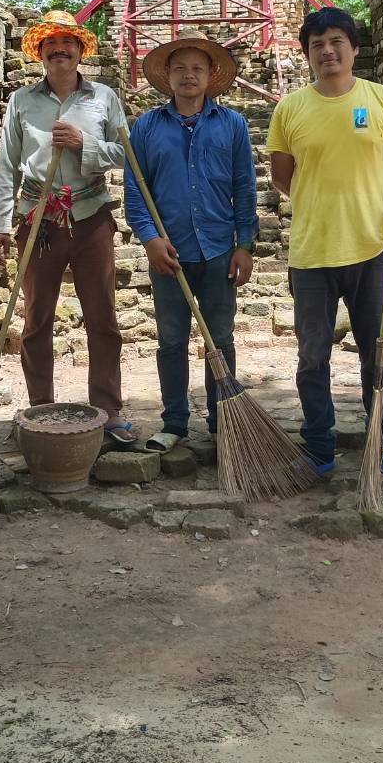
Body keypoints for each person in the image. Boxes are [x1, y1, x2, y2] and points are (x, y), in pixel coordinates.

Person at [266, 7, 383, 481]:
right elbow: (283, 178)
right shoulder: (290, 108)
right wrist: (326, 202)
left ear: (353, 48)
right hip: (312, 252)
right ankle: (318, 449)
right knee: (313, 357)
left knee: (379, 351)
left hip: (374, 249)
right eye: (316, 44)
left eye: (336, 41)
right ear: (307, 53)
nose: (327, 51)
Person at [0, 10, 135, 443]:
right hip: (39, 220)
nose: (59, 49)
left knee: (102, 317)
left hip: (92, 217)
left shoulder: (104, 97)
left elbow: (128, 155)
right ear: (41, 53)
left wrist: (83, 145)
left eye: (67, 42)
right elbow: (6, 167)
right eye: (50, 44)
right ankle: (41, 407)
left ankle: (108, 408)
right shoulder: (22, 101)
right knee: (36, 318)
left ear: (80, 49)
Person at [123, 29, 258, 450]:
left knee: (221, 339)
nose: (188, 76)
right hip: (170, 253)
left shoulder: (232, 125)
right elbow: (135, 189)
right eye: (179, 68)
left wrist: (245, 243)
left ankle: (225, 421)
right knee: (172, 341)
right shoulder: (146, 127)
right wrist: (149, 240)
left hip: (219, 250)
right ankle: (175, 422)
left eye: (197, 68)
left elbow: (244, 186)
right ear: (167, 75)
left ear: (210, 74)